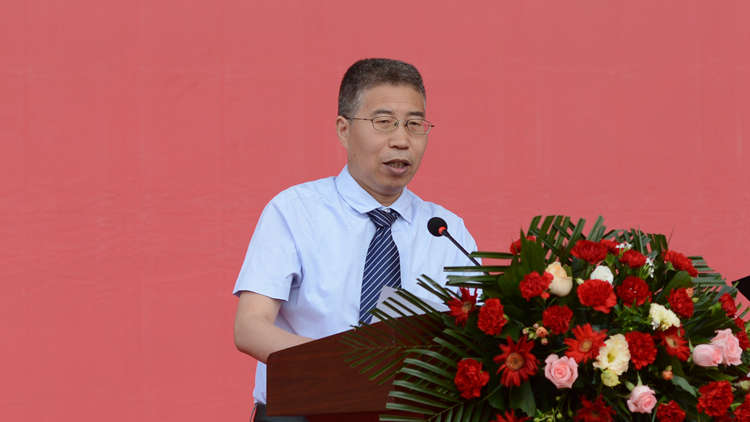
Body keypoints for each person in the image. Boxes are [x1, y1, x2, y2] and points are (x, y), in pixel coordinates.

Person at [233, 58, 477, 421]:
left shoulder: (446, 231)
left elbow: (476, 338)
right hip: (305, 412)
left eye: (414, 124)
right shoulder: (295, 211)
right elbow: (249, 328)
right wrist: (345, 367)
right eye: (383, 122)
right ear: (344, 130)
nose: (401, 140)